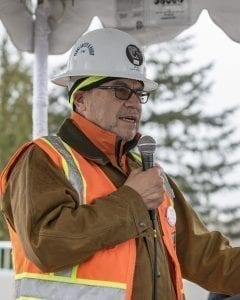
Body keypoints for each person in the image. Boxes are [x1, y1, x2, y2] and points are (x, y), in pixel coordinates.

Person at [1, 27, 240, 300]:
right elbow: (46, 245)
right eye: (121, 90)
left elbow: (206, 257)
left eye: (139, 93)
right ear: (81, 99)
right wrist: (132, 201)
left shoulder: (149, 174)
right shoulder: (42, 160)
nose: (135, 104)